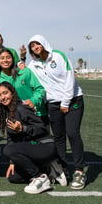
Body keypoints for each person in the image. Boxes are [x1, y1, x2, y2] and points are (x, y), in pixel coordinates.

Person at [26, 35, 86, 189]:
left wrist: (65, 102)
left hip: (72, 100)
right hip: (53, 103)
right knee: (58, 137)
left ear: (43, 43)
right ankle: (63, 169)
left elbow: (69, 78)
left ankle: (79, 171)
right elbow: (25, 74)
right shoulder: (34, 64)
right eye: (32, 46)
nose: (35, 47)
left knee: (72, 133)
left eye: (37, 44)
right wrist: (20, 60)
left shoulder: (58, 56)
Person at [0, 82, 66, 194]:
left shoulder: (21, 108)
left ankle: (40, 177)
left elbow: (42, 128)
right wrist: (13, 161)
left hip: (44, 146)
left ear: (12, 93)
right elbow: (11, 139)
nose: (3, 97)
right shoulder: (7, 112)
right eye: (0, 95)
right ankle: (48, 169)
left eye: (5, 93)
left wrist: (23, 128)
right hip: (32, 149)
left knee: (8, 150)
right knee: (14, 177)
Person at [0, 48, 46, 118]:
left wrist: (33, 101)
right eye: (2, 58)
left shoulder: (24, 71)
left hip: (36, 114)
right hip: (15, 117)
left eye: (8, 58)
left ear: (13, 59)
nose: (5, 60)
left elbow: (39, 89)